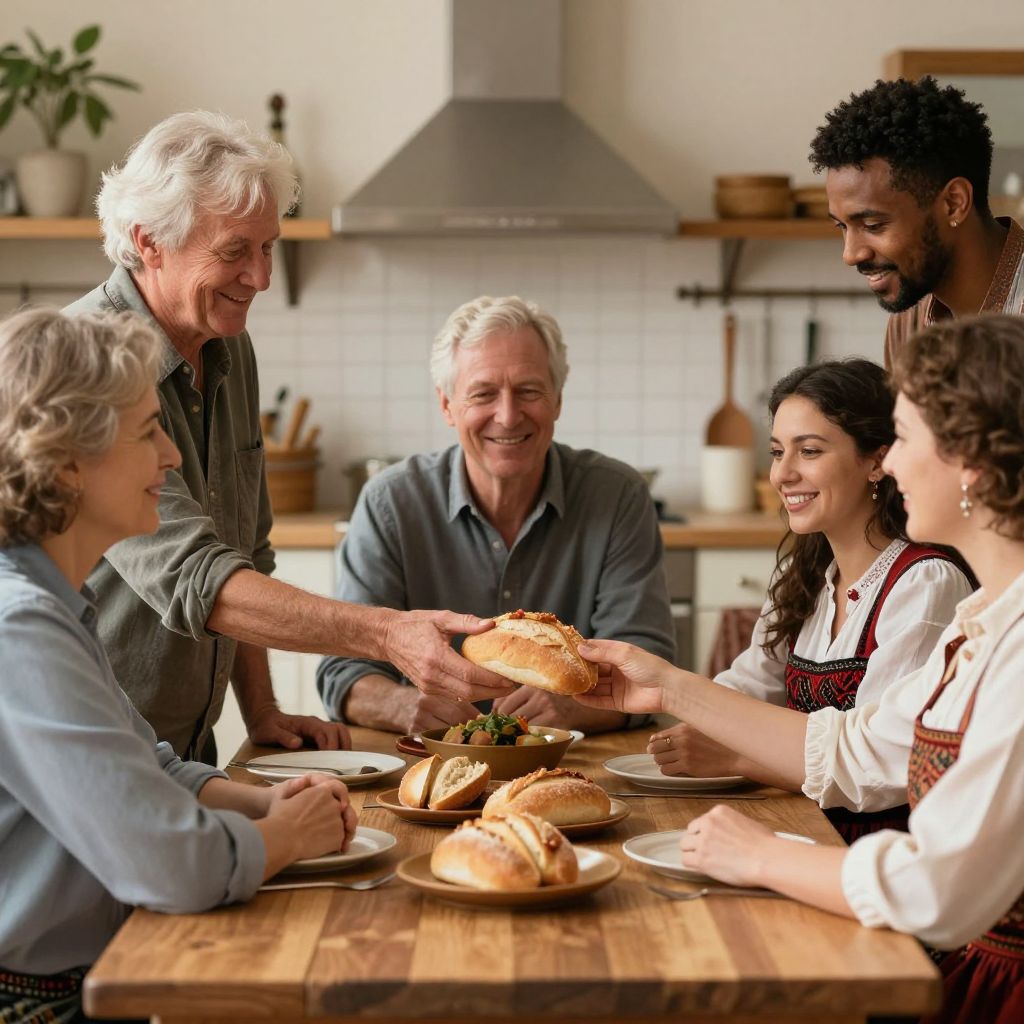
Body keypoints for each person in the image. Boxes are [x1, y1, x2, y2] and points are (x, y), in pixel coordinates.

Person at [576, 314, 1024, 1024]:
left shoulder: (1004, 639)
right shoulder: (984, 624)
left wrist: (761, 856)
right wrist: (662, 684)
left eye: (903, 438)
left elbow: (934, 889)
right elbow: (860, 747)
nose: (896, 462)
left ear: (968, 460)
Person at [65, 111, 509, 762]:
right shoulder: (87, 361)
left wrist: (263, 712)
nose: (262, 278)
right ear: (150, 242)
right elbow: (196, 575)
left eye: (268, 246)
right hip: (92, 754)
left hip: (188, 752)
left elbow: (244, 548)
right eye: (234, 251)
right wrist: (388, 635)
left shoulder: (227, 347)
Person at [0, 308, 358, 1024]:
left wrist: (263, 803)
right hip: (37, 1004)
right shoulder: (21, 630)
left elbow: (154, 768)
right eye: (147, 431)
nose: (170, 457)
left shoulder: (58, 602)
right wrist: (288, 836)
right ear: (67, 462)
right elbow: (167, 863)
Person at [316, 295, 675, 735]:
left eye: (529, 391)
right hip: (428, 764)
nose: (507, 416)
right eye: (483, 394)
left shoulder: (617, 496)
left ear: (558, 399)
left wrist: (576, 706)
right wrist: (399, 704)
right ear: (447, 405)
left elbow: (647, 664)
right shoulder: (389, 503)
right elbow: (344, 670)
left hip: (579, 760)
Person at [647, 359, 972, 841]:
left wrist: (734, 756)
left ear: (877, 461)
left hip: (879, 854)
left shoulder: (925, 585)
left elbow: (878, 771)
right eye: (778, 452)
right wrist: (689, 719)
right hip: (802, 825)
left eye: (810, 451)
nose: (783, 474)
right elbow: (749, 686)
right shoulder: (803, 574)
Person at [809, 76, 1023, 367]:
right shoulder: (910, 325)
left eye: (873, 225)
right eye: (842, 227)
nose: (851, 255)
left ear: (954, 203)